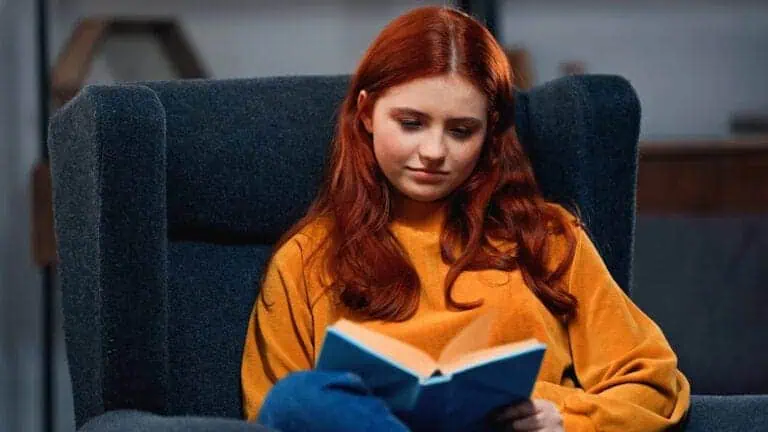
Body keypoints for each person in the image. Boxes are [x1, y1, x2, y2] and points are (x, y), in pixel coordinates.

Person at [241, 5, 690, 432]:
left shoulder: (548, 237)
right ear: (366, 114)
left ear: (489, 133)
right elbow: (274, 414)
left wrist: (566, 419)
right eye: (411, 123)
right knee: (298, 397)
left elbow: (653, 383)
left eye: (461, 131)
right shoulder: (305, 258)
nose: (434, 152)